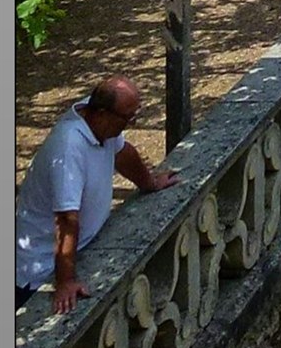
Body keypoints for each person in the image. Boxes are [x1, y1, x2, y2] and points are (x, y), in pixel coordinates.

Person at [16, 77, 177, 315]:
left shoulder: (99, 121)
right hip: (37, 270)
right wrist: (66, 281)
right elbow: (66, 219)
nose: (131, 123)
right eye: (128, 117)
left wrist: (150, 183)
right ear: (103, 113)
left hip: (81, 245)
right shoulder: (69, 148)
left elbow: (122, 153)